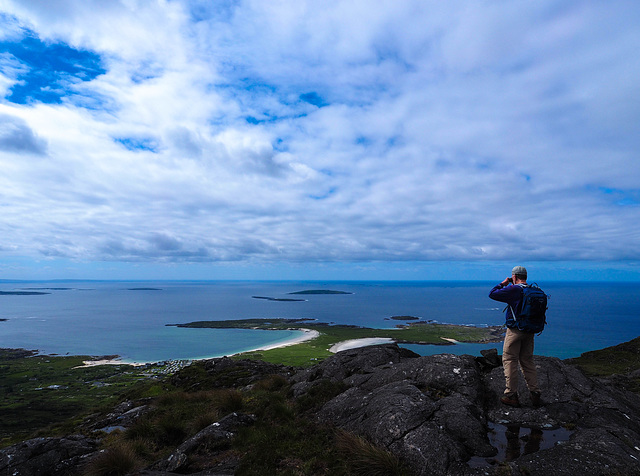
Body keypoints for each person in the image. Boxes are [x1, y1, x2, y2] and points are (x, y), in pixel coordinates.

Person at [489, 266, 542, 407]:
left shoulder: (514, 290)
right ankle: (535, 393)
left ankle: (511, 395)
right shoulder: (533, 290)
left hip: (515, 331)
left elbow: (493, 293)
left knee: (510, 359)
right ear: (525, 276)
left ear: (514, 277)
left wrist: (503, 283)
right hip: (530, 330)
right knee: (527, 360)